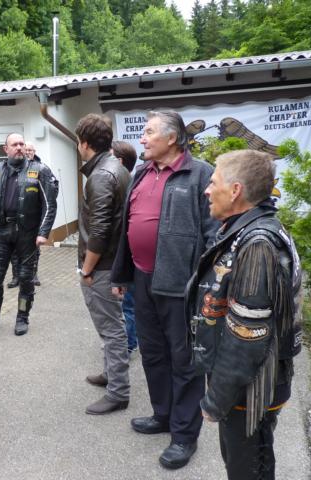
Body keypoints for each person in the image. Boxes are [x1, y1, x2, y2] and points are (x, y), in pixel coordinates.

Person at [111, 110, 219, 469]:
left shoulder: (200, 173)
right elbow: (127, 227)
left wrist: (204, 286)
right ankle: (163, 414)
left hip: (180, 286)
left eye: (149, 132)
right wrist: (121, 275)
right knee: (153, 353)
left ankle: (184, 435)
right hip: (143, 280)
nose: (142, 138)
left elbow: (214, 235)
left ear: (172, 138)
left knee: (184, 360)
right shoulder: (142, 172)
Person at [187, 150, 302, 479]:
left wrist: (216, 400)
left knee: (249, 469)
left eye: (213, 183)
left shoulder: (257, 244)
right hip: (246, 386)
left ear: (235, 190)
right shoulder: (246, 229)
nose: (207, 190)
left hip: (251, 390)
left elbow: (247, 338)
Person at [75, 114, 131, 415]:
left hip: (102, 267)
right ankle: (111, 374)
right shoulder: (116, 168)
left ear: (85, 143)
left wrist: (87, 269)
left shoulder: (100, 175)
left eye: (78, 142)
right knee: (113, 326)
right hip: (113, 263)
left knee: (111, 329)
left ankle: (118, 392)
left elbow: (99, 230)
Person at [0, 133, 57, 336]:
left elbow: (49, 205)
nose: (19, 147)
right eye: (15, 144)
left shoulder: (40, 170)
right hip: (1, 232)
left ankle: (22, 318)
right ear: (6, 149)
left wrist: (43, 232)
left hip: (28, 233)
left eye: (21, 144)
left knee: (26, 277)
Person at [111, 140, 139, 354]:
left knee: (127, 304)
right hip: (126, 256)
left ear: (119, 162)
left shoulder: (127, 187)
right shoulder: (130, 183)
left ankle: (128, 344)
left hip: (128, 257)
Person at [7, 141, 43, 289]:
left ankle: (33, 275)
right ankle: (16, 276)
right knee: (14, 249)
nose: (27, 152)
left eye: (30, 150)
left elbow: (50, 191)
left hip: (33, 216)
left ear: (34, 152)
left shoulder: (41, 168)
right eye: (26, 150)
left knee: (34, 248)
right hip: (15, 215)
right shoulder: (14, 167)